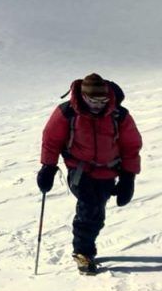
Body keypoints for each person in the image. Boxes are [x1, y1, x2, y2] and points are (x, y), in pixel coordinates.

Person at [37, 72, 143, 275]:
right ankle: (83, 253)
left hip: (108, 172)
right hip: (80, 171)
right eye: (93, 100)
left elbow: (131, 146)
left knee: (97, 211)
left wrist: (128, 177)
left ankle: (85, 248)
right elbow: (51, 140)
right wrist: (48, 168)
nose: (98, 104)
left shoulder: (119, 115)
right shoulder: (67, 112)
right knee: (90, 209)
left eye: (102, 100)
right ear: (83, 96)